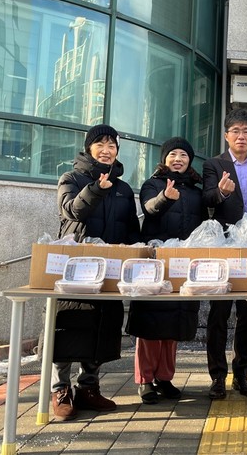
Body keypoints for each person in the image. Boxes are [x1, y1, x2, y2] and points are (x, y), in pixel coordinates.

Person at [52, 124, 140, 421]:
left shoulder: (123, 189)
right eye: (100, 144)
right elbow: (71, 210)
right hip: (75, 269)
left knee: (101, 325)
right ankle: (60, 389)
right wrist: (96, 190)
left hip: (110, 270)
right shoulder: (71, 178)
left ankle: (88, 387)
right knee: (67, 323)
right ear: (89, 148)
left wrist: (136, 254)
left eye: (112, 145)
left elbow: (131, 229)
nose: (106, 150)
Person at [127, 137, 202, 404]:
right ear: (164, 159)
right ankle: (145, 379)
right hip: (156, 263)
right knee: (151, 322)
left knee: (174, 324)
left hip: (183, 263)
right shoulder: (153, 184)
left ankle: (165, 377)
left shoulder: (196, 191)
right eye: (173, 154)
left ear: (190, 160)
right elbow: (149, 209)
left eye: (183, 154)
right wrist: (165, 198)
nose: (178, 159)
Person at [202, 109, 247, 400]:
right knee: (218, 313)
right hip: (225, 243)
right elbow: (207, 197)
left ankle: (241, 373)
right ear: (226, 135)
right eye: (236, 131)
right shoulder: (214, 164)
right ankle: (217, 376)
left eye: (246, 131)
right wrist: (222, 192)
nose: (241, 136)